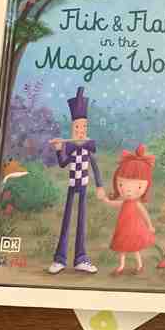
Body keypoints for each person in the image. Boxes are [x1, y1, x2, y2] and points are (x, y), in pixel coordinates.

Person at [48, 87, 105, 274]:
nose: (81, 131)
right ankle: (60, 259)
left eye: (84, 127)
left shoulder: (88, 147)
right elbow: (63, 164)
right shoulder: (70, 147)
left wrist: (100, 186)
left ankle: (81, 259)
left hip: (84, 187)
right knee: (66, 221)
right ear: (72, 128)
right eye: (77, 128)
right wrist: (59, 149)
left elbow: (95, 167)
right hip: (72, 187)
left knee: (81, 222)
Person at [102, 144, 156, 275]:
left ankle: (139, 265)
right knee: (122, 248)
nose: (129, 190)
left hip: (134, 228)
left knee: (135, 248)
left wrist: (150, 225)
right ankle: (121, 266)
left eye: (138, 187)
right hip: (123, 227)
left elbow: (144, 213)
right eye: (121, 184)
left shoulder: (136, 203)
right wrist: (106, 200)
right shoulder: (125, 202)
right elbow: (116, 203)